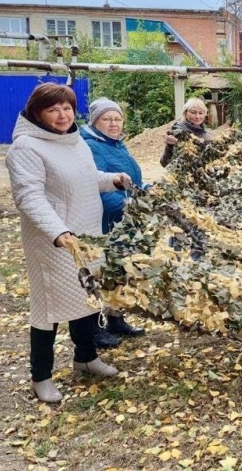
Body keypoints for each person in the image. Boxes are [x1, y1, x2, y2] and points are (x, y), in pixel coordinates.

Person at [6, 83, 127, 403]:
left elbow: (85, 179)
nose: (62, 115)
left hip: (85, 237)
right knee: (48, 310)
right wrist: (59, 233)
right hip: (54, 242)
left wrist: (111, 179)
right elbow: (28, 197)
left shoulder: (74, 141)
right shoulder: (26, 147)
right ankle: (41, 376)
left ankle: (86, 357)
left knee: (86, 298)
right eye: (53, 109)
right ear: (37, 113)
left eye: (67, 108)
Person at [80, 97, 146, 348]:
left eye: (117, 118)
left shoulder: (117, 144)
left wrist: (144, 192)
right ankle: (95, 330)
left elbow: (131, 179)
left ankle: (116, 319)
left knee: (118, 270)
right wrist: (125, 206)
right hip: (105, 221)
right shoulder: (91, 146)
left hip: (124, 220)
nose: (113, 123)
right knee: (98, 274)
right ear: (95, 122)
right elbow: (99, 185)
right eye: (107, 119)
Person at [160, 97, 213, 167]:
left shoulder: (207, 134)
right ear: (185, 113)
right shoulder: (178, 132)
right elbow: (164, 163)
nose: (197, 116)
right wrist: (170, 147)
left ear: (205, 114)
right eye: (193, 112)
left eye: (201, 113)